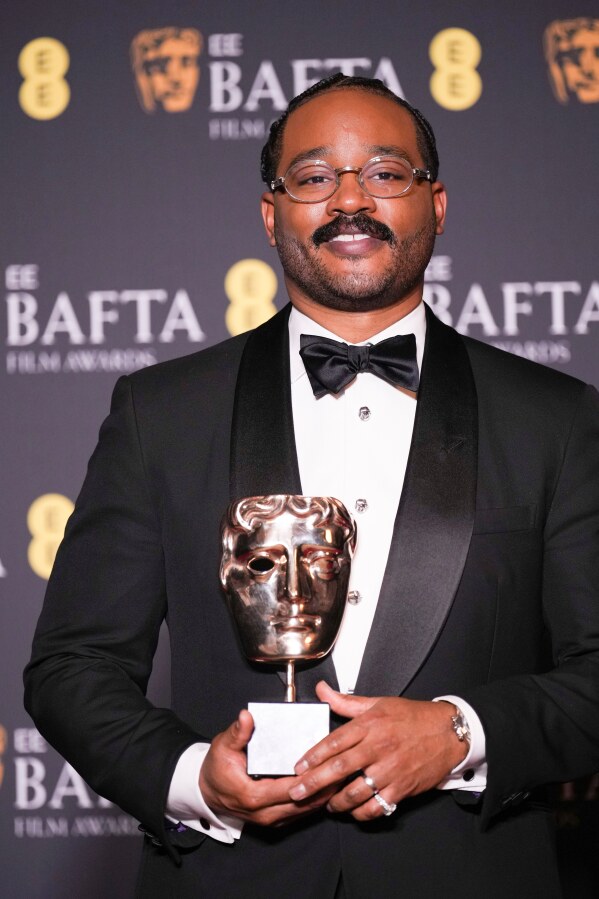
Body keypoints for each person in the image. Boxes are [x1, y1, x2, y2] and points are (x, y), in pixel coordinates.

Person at [24, 74, 599, 897]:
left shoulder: (554, 418)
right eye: (314, 176)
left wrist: (459, 732)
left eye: (385, 173)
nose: (350, 199)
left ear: (436, 203)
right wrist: (194, 776)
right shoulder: (162, 411)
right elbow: (72, 665)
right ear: (271, 212)